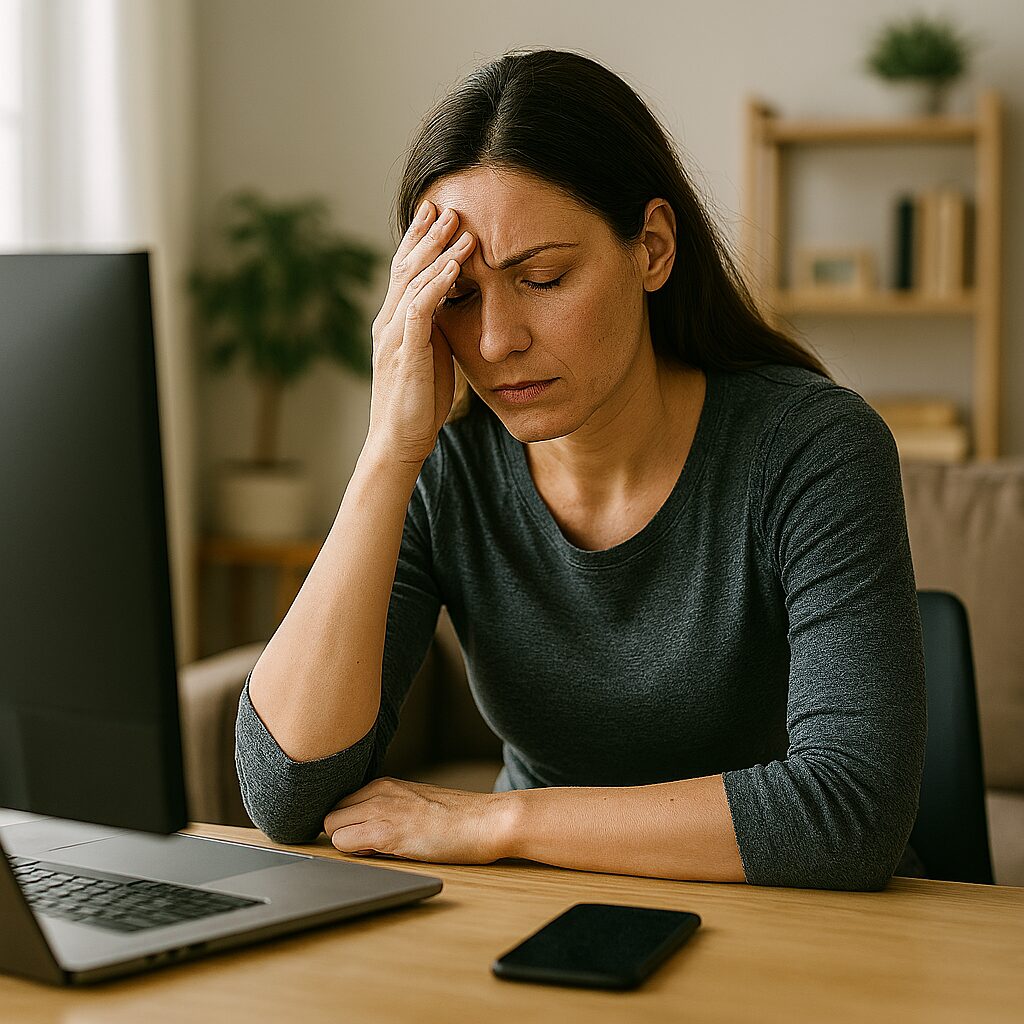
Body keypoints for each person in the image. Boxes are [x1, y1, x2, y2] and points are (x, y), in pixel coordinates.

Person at [235, 47, 929, 890]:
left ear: (653, 249)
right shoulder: (446, 472)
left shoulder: (812, 446)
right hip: (543, 911)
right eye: (458, 295)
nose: (496, 341)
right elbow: (285, 791)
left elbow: (849, 813)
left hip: (796, 925)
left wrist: (498, 821)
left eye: (543, 277)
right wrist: (387, 451)